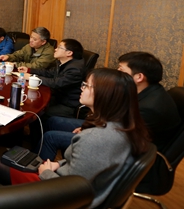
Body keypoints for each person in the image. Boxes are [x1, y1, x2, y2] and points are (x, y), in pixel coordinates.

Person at [0, 68, 150, 208]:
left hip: (68, 200)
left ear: (105, 95)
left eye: (87, 85)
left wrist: (46, 173)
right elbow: (84, 166)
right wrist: (59, 164)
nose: (82, 88)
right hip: (81, 185)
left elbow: (72, 190)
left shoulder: (96, 139)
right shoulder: (125, 125)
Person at [40, 52, 181, 159]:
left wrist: (87, 129)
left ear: (139, 77)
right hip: (112, 130)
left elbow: (118, 137)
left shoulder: (149, 108)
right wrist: (88, 126)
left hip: (127, 151)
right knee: (53, 121)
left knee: (51, 137)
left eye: (121, 70)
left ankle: (40, 173)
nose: (116, 73)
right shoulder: (143, 91)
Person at [18, 39, 87, 119]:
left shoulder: (75, 69)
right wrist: (29, 70)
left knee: (38, 112)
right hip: (58, 97)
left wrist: (32, 78)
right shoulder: (63, 63)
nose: (55, 49)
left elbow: (56, 83)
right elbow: (49, 73)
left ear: (69, 53)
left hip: (68, 104)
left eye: (59, 47)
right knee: (33, 104)